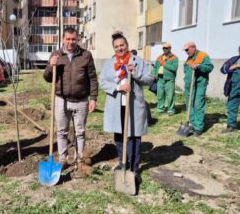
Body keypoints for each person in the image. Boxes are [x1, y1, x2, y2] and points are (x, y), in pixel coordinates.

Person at [43, 27, 98, 178]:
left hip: (81, 100)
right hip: (61, 99)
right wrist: (50, 65)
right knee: (62, 131)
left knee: (80, 132)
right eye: (68, 39)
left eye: (73, 39)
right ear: (63, 39)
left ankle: (80, 158)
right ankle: (63, 158)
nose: (70, 42)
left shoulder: (86, 55)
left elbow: (93, 78)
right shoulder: (56, 55)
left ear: (77, 40)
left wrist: (93, 98)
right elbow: (47, 78)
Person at [100, 32, 154, 181]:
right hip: (116, 104)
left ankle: (134, 167)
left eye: (122, 45)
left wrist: (135, 73)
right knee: (119, 134)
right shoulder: (109, 64)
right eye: (116, 46)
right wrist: (118, 87)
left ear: (127, 45)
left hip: (134, 104)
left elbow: (149, 79)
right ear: (114, 48)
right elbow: (103, 82)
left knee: (134, 136)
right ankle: (122, 162)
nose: (120, 48)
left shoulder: (138, 61)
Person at [183, 42, 214, 137]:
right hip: (189, 85)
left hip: (199, 84)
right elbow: (185, 69)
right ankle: (192, 123)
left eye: (187, 49)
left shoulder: (203, 55)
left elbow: (210, 67)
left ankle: (199, 128)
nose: (186, 52)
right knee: (189, 104)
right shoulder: (189, 58)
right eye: (185, 50)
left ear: (193, 48)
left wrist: (199, 66)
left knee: (198, 104)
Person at [153, 42, 178, 115]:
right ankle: (160, 109)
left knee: (170, 96)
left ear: (170, 48)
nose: (165, 49)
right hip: (160, 79)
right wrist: (154, 74)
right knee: (160, 95)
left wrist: (165, 64)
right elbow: (155, 67)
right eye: (163, 48)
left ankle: (171, 110)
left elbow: (174, 68)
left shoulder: (174, 58)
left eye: (166, 48)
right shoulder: (159, 57)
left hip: (169, 80)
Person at [220, 46, 240, 133]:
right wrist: (233, 67)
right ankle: (231, 126)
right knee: (232, 107)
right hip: (234, 89)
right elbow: (223, 69)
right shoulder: (234, 59)